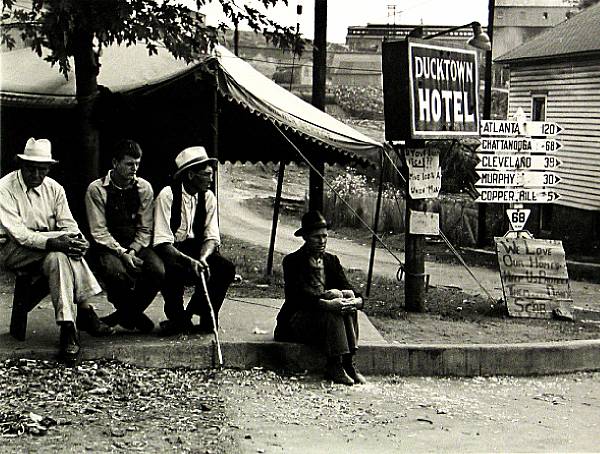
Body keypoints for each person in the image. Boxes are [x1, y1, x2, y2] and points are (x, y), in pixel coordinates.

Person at [0, 138, 114, 364]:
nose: (35, 174)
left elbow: (69, 225)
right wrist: (57, 240)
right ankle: (84, 309)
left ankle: (67, 327)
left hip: (48, 252)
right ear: (20, 165)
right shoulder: (4, 188)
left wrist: (79, 240)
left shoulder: (54, 189)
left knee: (59, 257)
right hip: (12, 250)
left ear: (49, 169)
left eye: (41, 169)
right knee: (59, 248)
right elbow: (20, 235)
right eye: (30, 168)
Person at [274, 210, 367, 386]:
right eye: (317, 237)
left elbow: (348, 287)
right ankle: (334, 365)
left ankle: (348, 363)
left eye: (324, 237)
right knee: (333, 305)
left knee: (345, 297)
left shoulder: (331, 261)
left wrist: (357, 301)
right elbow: (296, 298)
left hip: (325, 323)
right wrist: (326, 304)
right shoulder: (293, 262)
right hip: (299, 321)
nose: (322, 241)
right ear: (306, 237)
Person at [153, 146, 235, 335]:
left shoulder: (208, 198)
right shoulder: (168, 195)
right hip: (172, 251)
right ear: (190, 175)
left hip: (197, 250)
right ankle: (177, 316)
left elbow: (211, 237)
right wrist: (189, 261)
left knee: (224, 268)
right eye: (206, 174)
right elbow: (162, 242)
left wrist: (204, 258)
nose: (211, 179)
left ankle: (205, 315)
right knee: (173, 270)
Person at [85, 139, 164, 332]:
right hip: (108, 247)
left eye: (137, 164)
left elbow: (146, 228)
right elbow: (99, 231)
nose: (134, 168)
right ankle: (134, 315)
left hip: (136, 245)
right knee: (116, 273)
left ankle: (121, 316)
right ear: (115, 163)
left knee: (157, 270)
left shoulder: (144, 188)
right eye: (129, 164)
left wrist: (133, 250)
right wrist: (122, 253)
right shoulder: (96, 189)